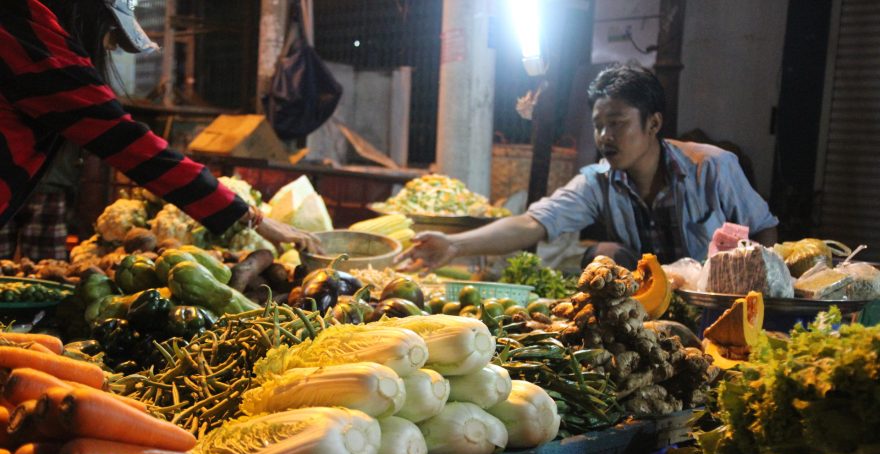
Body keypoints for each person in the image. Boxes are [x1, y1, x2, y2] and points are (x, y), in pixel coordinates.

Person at [0, 0, 321, 254]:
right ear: (85, 12)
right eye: (110, 30)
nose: (109, 46)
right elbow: (128, 142)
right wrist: (250, 217)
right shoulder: (28, 32)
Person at [397, 63, 779, 271]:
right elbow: (532, 223)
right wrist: (455, 245)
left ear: (653, 124)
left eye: (616, 123)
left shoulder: (712, 167)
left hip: (716, 301)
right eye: (598, 125)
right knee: (603, 256)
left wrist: (758, 294)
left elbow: (764, 229)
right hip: (650, 307)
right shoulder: (598, 182)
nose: (604, 136)